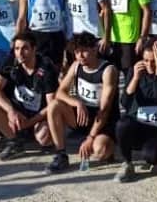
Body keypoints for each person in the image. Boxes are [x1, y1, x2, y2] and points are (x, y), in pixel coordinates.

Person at [46, 32, 119, 173]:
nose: (80, 56)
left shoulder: (108, 70)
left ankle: (106, 144)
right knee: (54, 105)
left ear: (95, 49)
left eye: (84, 51)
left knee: (100, 151)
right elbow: (60, 92)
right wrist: (77, 103)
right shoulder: (76, 66)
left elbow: (104, 110)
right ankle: (60, 154)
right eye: (77, 52)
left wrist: (90, 138)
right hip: (83, 115)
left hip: (104, 120)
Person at [0, 30, 57, 161]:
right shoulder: (11, 60)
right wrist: (10, 111)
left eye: (25, 48)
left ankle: (39, 137)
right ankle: (14, 141)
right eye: (17, 48)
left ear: (34, 49)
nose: (20, 52)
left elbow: (51, 105)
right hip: (18, 113)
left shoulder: (46, 67)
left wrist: (30, 123)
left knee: (44, 137)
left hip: (39, 115)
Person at [115, 38, 157, 182]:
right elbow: (124, 102)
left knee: (151, 156)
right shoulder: (137, 70)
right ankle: (127, 163)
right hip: (138, 124)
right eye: (146, 60)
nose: (149, 65)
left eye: (153, 61)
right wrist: (134, 79)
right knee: (122, 124)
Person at [104, 0, 151, 85]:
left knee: (130, 79)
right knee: (110, 80)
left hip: (130, 40)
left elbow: (147, 11)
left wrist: (142, 37)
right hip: (111, 38)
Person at [17, 0, 72, 69]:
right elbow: (21, 18)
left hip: (56, 36)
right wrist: (17, 41)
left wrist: (69, 37)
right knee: (37, 70)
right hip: (36, 36)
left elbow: (67, 16)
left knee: (55, 70)